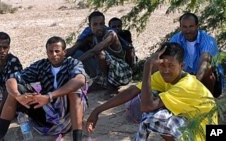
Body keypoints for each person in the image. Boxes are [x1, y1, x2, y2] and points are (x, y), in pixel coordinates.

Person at [86, 42, 217, 141]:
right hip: (191, 122)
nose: (165, 70)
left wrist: (148, 66)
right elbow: (132, 91)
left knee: (155, 115)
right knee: (150, 96)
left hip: (203, 132)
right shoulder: (165, 77)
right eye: (162, 65)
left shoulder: (185, 85)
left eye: (171, 66)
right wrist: (97, 110)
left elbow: (146, 107)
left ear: (181, 66)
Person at [0, 36, 88, 141]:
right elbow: (11, 80)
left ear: (64, 52)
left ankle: (77, 138)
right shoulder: (41, 65)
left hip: (68, 115)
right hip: (46, 112)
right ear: (47, 52)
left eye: (57, 51)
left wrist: (50, 96)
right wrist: (18, 96)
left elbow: (80, 80)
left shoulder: (72, 63)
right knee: (16, 91)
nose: (54, 55)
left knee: (74, 90)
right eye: (50, 51)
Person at [66, 11, 132, 92]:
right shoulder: (90, 36)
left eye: (101, 24)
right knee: (76, 53)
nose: (99, 27)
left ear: (104, 24)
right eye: (95, 24)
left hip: (121, 72)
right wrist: (56, 59)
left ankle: (110, 85)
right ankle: (99, 83)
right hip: (105, 71)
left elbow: (95, 51)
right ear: (90, 26)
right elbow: (73, 49)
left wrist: (73, 64)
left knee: (99, 53)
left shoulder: (111, 35)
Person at [170, 12, 220, 97]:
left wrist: (192, 85)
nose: (188, 30)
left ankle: (209, 101)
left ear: (197, 26)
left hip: (204, 78)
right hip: (185, 76)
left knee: (209, 72)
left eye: (191, 26)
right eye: (184, 27)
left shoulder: (208, 40)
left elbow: (205, 62)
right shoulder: (176, 38)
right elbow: (170, 58)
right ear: (180, 27)